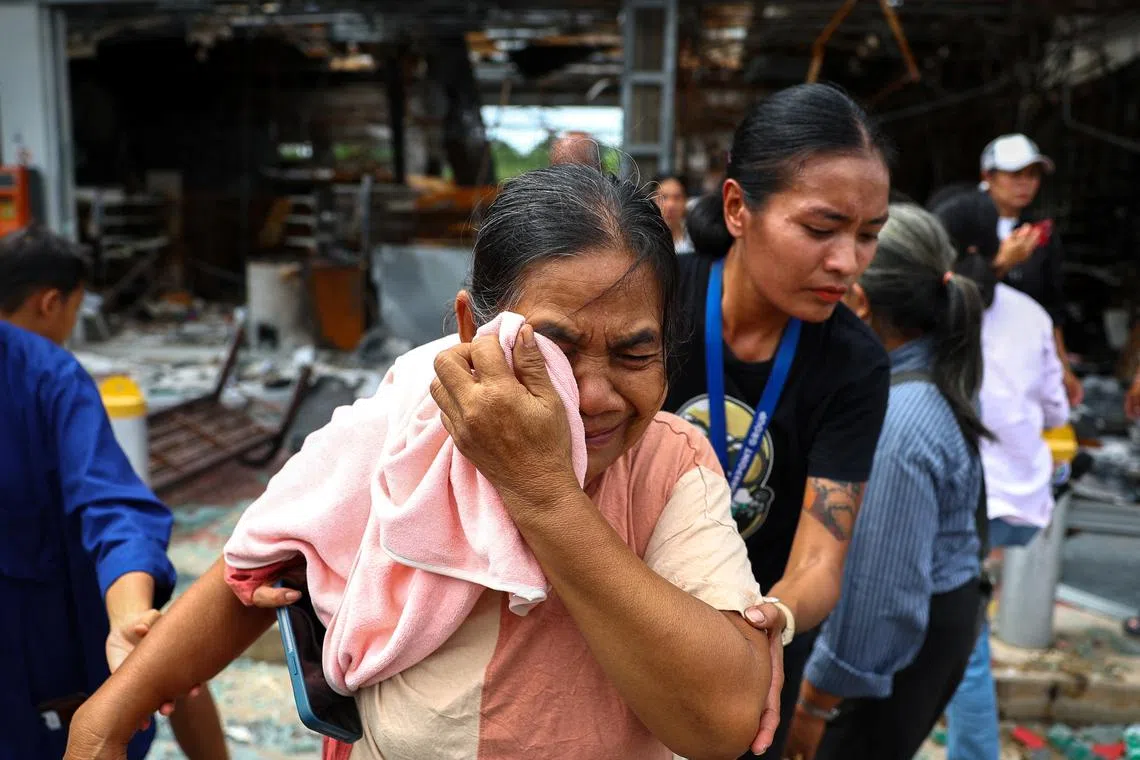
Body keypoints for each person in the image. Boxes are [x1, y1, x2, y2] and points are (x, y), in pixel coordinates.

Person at [64, 164, 774, 760]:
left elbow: (722, 720)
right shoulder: (406, 424)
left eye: (634, 353)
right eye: (552, 350)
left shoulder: (670, 466)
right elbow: (258, 567)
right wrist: (105, 718)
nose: (593, 395)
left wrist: (545, 496)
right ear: (472, 330)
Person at [666, 82, 893, 758]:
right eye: (821, 229)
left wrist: (768, 622)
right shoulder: (649, 296)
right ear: (738, 207)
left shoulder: (854, 365)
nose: (847, 263)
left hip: (749, 656)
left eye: (868, 236)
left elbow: (822, 556)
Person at [0, 227, 227, 759]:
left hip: (61, 664)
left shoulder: (47, 378)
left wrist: (129, 616)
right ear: (53, 303)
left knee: (165, 653)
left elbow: (115, 506)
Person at [782, 203, 989, 760]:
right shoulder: (919, 383)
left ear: (859, 302)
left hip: (875, 671)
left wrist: (816, 704)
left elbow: (878, 597)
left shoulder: (899, 421)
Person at [931, 187, 1071, 760]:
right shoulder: (1033, 315)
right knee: (960, 632)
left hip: (958, 503)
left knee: (961, 645)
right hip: (1018, 506)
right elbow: (1058, 411)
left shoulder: (930, 312)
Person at [979, 133, 1083, 406]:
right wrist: (1002, 263)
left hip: (1023, 358)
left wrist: (1062, 366)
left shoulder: (1039, 233)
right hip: (975, 357)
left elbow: (1051, 304)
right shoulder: (962, 221)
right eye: (1015, 174)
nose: (1025, 183)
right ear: (988, 176)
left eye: (1033, 174)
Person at [652, 173, 694, 253]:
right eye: (663, 197)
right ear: (652, 201)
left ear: (685, 201)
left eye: (677, 197)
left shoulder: (695, 241)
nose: (671, 205)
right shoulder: (643, 241)